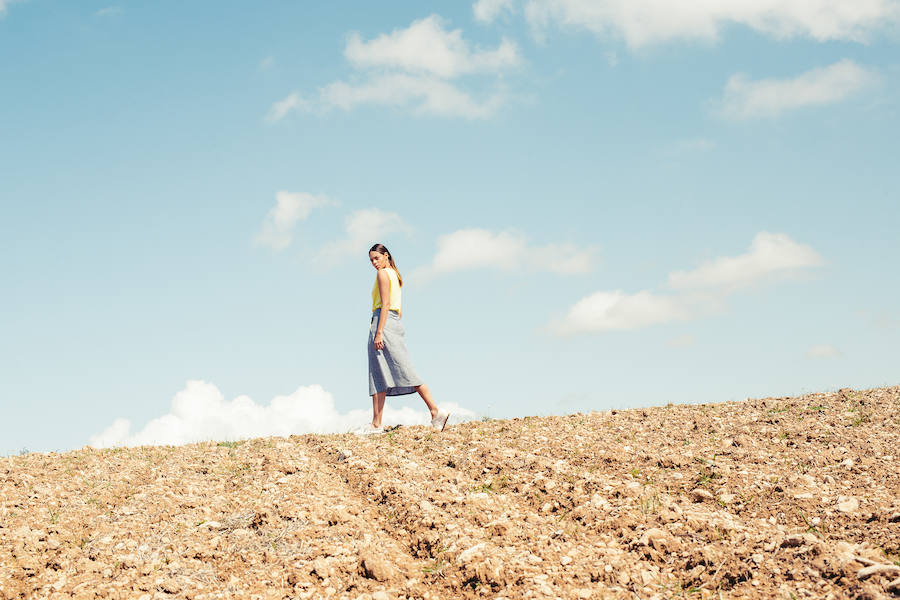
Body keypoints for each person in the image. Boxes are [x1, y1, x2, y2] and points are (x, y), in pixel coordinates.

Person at [364, 243, 449, 434]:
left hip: (383, 323)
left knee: (383, 372)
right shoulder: (396, 275)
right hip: (394, 323)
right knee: (395, 369)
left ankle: (434, 411)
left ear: (386, 255)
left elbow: (385, 304)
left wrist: (378, 331)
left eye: (376, 258)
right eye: (371, 260)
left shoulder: (383, 274)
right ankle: (378, 422)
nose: (374, 263)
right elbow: (398, 309)